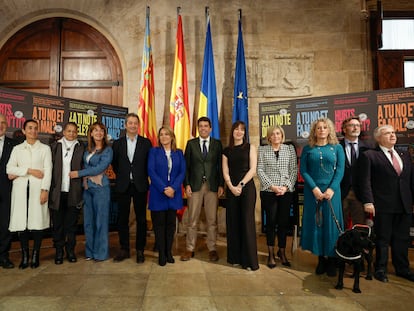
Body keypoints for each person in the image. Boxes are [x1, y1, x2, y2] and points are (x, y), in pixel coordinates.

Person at [358, 125, 414, 283]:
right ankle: (380, 269)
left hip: (404, 204)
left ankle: (402, 269)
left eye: (393, 133)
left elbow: (410, 180)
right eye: (387, 133)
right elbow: (365, 181)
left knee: (402, 239)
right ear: (378, 138)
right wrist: (368, 201)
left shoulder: (404, 154)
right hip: (382, 205)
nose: (392, 135)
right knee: (382, 239)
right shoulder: (370, 155)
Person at [300, 117, 345, 277]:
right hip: (313, 192)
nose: (322, 130)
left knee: (332, 225)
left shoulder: (337, 148)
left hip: (332, 192)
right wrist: (315, 189)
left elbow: (340, 170)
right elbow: (304, 171)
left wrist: (331, 189)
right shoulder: (307, 149)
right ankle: (321, 259)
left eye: (325, 127)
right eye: (318, 128)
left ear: (329, 130)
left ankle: (332, 259)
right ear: (314, 130)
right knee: (317, 224)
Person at [7, 119, 52, 269]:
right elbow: (9, 169)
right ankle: (25, 256)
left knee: (37, 224)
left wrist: (45, 190)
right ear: (24, 131)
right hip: (20, 190)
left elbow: (48, 171)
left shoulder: (45, 149)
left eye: (35, 128)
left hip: (37, 189)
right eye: (30, 128)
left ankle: (35, 255)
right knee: (22, 225)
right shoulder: (17, 149)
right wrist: (29, 170)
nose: (33, 131)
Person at [180, 117, 224, 262]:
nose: (203, 128)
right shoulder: (191, 144)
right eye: (201, 126)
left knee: (212, 220)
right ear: (198, 128)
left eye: (206, 126)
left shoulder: (217, 144)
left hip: (212, 186)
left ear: (210, 128)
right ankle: (189, 248)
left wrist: (221, 185)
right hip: (195, 186)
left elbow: (220, 166)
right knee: (192, 219)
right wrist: (186, 184)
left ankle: (212, 248)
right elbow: (186, 167)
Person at [111, 113, 152, 263]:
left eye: (135, 123)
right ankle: (124, 249)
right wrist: (124, 176)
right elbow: (115, 164)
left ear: (138, 125)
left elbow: (149, 164)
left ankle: (140, 250)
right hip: (123, 185)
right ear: (125, 125)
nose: (133, 125)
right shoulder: (117, 143)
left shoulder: (146, 143)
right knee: (123, 219)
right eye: (130, 123)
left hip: (140, 185)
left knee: (141, 219)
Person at [69, 121, 113, 261]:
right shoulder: (87, 149)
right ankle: (90, 252)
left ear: (104, 134)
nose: (99, 133)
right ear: (91, 133)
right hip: (87, 189)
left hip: (101, 189)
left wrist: (79, 173)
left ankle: (101, 253)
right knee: (88, 222)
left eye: (101, 130)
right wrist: (84, 175)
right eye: (96, 130)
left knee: (101, 221)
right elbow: (88, 166)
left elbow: (99, 168)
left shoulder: (108, 150)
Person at [257, 125, 297, 269]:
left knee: (283, 222)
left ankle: (282, 251)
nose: (275, 136)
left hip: (286, 191)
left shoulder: (289, 149)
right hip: (269, 191)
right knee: (271, 222)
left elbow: (293, 170)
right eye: (272, 134)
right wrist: (272, 187)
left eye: (278, 134)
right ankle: (271, 253)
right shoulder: (262, 150)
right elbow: (260, 170)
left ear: (282, 136)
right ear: (269, 137)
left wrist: (285, 187)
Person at [222, 121, 258, 271]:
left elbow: (253, 170)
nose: (239, 132)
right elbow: (225, 171)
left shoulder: (250, 148)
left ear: (245, 133)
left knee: (247, 222)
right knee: (233, 222)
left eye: (242, 130)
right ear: (232, 132)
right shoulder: (226, 151)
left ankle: (249, 261)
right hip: (231, 190)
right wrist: (231, 187)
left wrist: (240, 185)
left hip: (247, 188)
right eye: (236, 129)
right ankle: (234, 258)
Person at [148, 126, 186, 266]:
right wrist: (164, 188)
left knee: (170, 224)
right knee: (159, 224)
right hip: (159, 193)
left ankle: (169, 251)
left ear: (172, 137)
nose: (164, 137)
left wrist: (173, 188)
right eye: (161, 135)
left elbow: (182, 172)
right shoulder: (154, 152)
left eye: (166, 134)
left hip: (174, 194)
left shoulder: (179, 153)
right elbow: (151, 171)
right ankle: (161, 253)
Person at [49, 122, 85, 264]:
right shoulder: (54, 147)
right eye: (69, 131)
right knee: (57, 225)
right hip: (57, 193)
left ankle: (70, 251)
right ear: (64, 132)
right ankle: (59, 251)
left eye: (74, 131)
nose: (71, 134)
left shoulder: (81, 148)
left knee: (71, 225)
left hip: (73, 193)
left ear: (77, 133)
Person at [340, 116, 370, 229]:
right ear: (344, 129)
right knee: (338, 226)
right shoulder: (336, 147)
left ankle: (357, 248)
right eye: (352, 125)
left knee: (360, 227)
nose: (355, 128)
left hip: (360, 194)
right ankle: (338, 247)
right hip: (341, 193)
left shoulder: (368, 148)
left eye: (357, 125)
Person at [0, 113, 18, 269]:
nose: (1, 125)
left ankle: (3, 256)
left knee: (5, 225)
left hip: (7, 191)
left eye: (3, 123)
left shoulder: (14, 145)